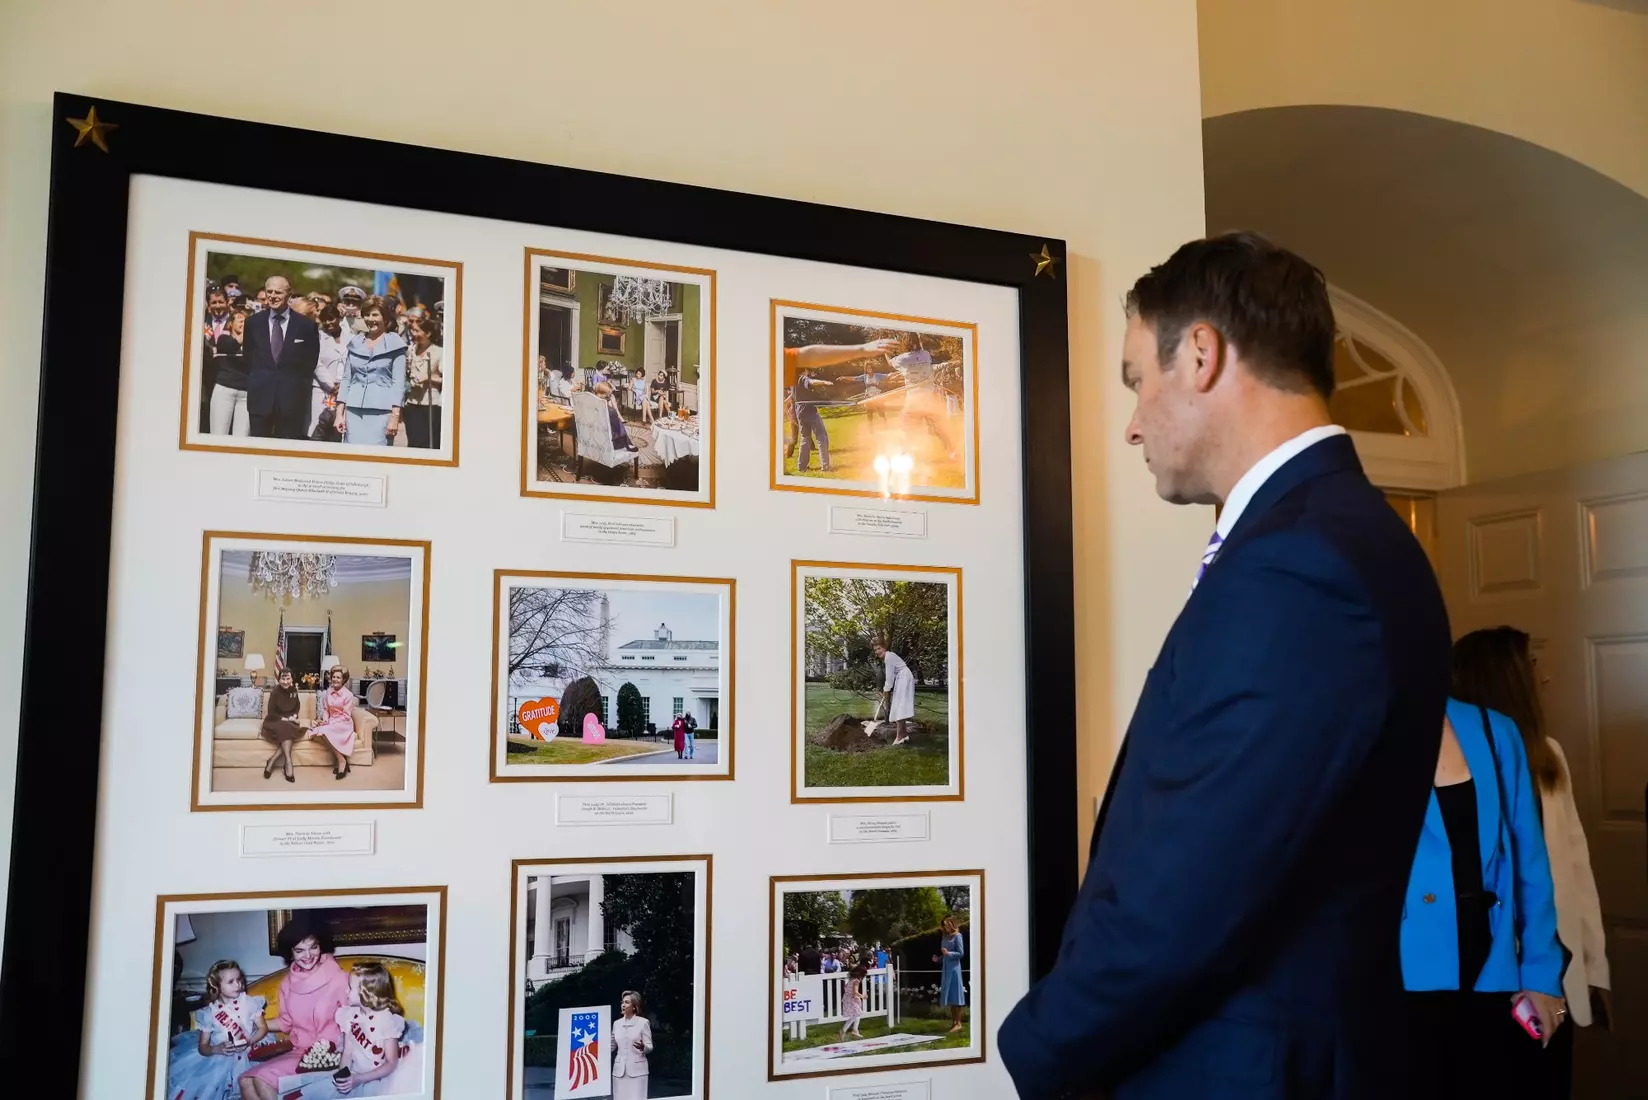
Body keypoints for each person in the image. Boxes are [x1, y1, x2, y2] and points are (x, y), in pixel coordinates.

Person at [997, 232, 1452, 1100]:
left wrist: (1035, 1049)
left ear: (1200, 354)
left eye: (1137, 379)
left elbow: (1189, 889)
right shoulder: (1322, 537)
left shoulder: (1305, 564)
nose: (1132, 422)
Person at [1452, 626, 1611, 1098]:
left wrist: (1593, 968)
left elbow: (1576, 872)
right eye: (1533, 667)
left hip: (1557, 978)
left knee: (1548, 1074)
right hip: (1484, 981)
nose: (1544, 679)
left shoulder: (1549, 756)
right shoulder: (1457, 765)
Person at [1402, 695, 1564, 1094]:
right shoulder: (1350, 724)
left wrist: (1543, 975)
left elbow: (1531, 861)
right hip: (1391, 978)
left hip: (1488, 975)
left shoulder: (1494, 730)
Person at [239, 918, 351, 1100]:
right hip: (301, 1052)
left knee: (261, 1080)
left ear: (321, 946)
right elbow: (285, 1022)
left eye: (313, 947)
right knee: (245, 1080)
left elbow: (355, 1020)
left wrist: (346, 1053)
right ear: (290, 953)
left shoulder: (339, 978)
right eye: (299, 950)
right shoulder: (286, 984)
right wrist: (249, 1022)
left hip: (330, 1054)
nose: (308, 955)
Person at [782, 338, 901, 473]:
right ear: (804, 371)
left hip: (799, 412)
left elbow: (792, 396)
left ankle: (801, 467)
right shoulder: (803, 378)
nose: (808, 372)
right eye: (807, 371)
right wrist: (824, 382)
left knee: (805, 438)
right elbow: (812, 382)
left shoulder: (792, 381)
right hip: (809, 411)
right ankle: (825, 467)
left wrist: (787, 404)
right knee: (821, 437)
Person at [165, 959, 267, 1100]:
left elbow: (263, 1028)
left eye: (239, 979)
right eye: (230, 981)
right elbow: (203, 1046)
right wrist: (217, 1049)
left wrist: (251, 1040)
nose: (237, 984)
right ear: (217, 985)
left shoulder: (249, 1002)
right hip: (219, 1060)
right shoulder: (209, 1014)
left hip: (248, 1053)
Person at [244, 275, 321, 439]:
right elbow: (248, 357)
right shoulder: (253, 323)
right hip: (260, 399)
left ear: (288, 294)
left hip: (291, 401)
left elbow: (310, 362)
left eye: (278, 292)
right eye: (269, 291)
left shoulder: (305, 326)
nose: (272, 296)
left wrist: (296, 386)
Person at [339, 296, 407, 446]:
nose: (370, 319)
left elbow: (399, 383)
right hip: (353, 411)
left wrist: (395, 417)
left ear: (385, 317)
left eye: (375, 315)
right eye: (367, 315)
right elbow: (346, 379)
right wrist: (339, 413)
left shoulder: (395, 344)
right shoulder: (356, 342)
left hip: (382, 413)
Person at [333, 962, 405, 1095]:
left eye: (350, 987)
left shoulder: (386, 1020)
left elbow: (391, 1063)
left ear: (367, 993)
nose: (346, 991)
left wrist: (360, 1079)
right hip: (356, 1074)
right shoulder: (350, 1015)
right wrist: (343, 1078)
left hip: (378, 1079)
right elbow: (347, 1053)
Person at [207, 310, 251, 436]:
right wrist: (246, 333)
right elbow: (229, 346)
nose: (244, 324)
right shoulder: (223, 338)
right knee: (218, 434)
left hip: (246, 394)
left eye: (247, 322)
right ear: (231, 323)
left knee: (242, 437)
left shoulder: (253, 344)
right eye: (241, 321)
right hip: (225, 391)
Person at [308, 666, 357, 780]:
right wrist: (325, 720)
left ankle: (341, 762)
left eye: (338, 677)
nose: (335, 679)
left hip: (343, 724)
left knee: (324, 731)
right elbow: (326, 710)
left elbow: (346, 715)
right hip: (331, 722)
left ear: (343, 680)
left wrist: (330, 723)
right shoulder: (328, 692)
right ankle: (342, 759)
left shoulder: (348, 695)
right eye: (333, 677)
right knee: (314, 733)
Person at [403, 313, 443, 449]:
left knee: (428, 443)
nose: (413, 334)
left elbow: (447, 380)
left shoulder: (439, 352)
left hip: (430, 404)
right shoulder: (410, 351)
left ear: (429, 333)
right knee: (413, 443)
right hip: (412, 403)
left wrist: (428, 378)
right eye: (412, 330)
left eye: (417, 331)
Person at [312, 304, 349, 438]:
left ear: (338, 318)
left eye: (331, 319)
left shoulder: (350, 336)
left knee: (339, 430)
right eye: (324, 320)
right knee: (319, 430)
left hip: (344, 390)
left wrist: (343, 385)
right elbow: (315, 362)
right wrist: (331, 385)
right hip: (323, 389)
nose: (328, 323)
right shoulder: (318, 337)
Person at [260, 668, 302, 783]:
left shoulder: (294, 690)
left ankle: (272, 760)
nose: (285, 681)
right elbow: (271, 713)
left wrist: (294, 716)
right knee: (286, 727)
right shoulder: (275, 692)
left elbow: (297, 707)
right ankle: (288, 762)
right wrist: (285, 719)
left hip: (289, 720)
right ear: (279, 679)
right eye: (283, 679)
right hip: (275, 720)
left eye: (288, 678)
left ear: (292, 679)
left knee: (288, 726)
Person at [871, 640, 916, 745]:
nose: (877, 651)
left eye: (879, 648)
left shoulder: (889, 657)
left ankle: (899, 737)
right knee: (899, 705)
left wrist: (886, 690)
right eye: (875, 650)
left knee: (899, 706)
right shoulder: (889, 656)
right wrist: (886, 690)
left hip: (904, 678)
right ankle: (903, 735)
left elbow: (890, 677)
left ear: (884, 648)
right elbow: (891, 677)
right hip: (902, 678)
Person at [611, 990, 653, 1100]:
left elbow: (649, 1046)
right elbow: (611, 1047)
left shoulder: (643, 1023)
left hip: (638, 1072)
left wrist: (644, 1047)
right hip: (619, 1072)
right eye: (622, 1002)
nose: (623, 1005)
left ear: (634, 1007)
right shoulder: (617, 1024)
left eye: (627, 1002)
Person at [935, 917, 966, 1033]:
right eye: (944, 925)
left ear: (952, 925)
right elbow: (945, 955)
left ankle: (959, 1023)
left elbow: (960, 953)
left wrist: (949, 953)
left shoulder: (958, 936)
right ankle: (954, 1022)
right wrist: (939, 958)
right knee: (951, 995)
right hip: (946, 969)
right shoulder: (945, 937)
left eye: (947, 925)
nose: (945, 927)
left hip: (954, 969)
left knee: (956, 995)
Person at [841, 964, 866, 1038]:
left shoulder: (851, 980)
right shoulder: (856, 981)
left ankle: (854, 1030)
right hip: (852, 999)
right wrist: (863, 996)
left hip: (848, 998)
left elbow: (846, 988)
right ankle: (845, 1030)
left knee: (856, 1014)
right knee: (856, 1014)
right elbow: (855, 992)